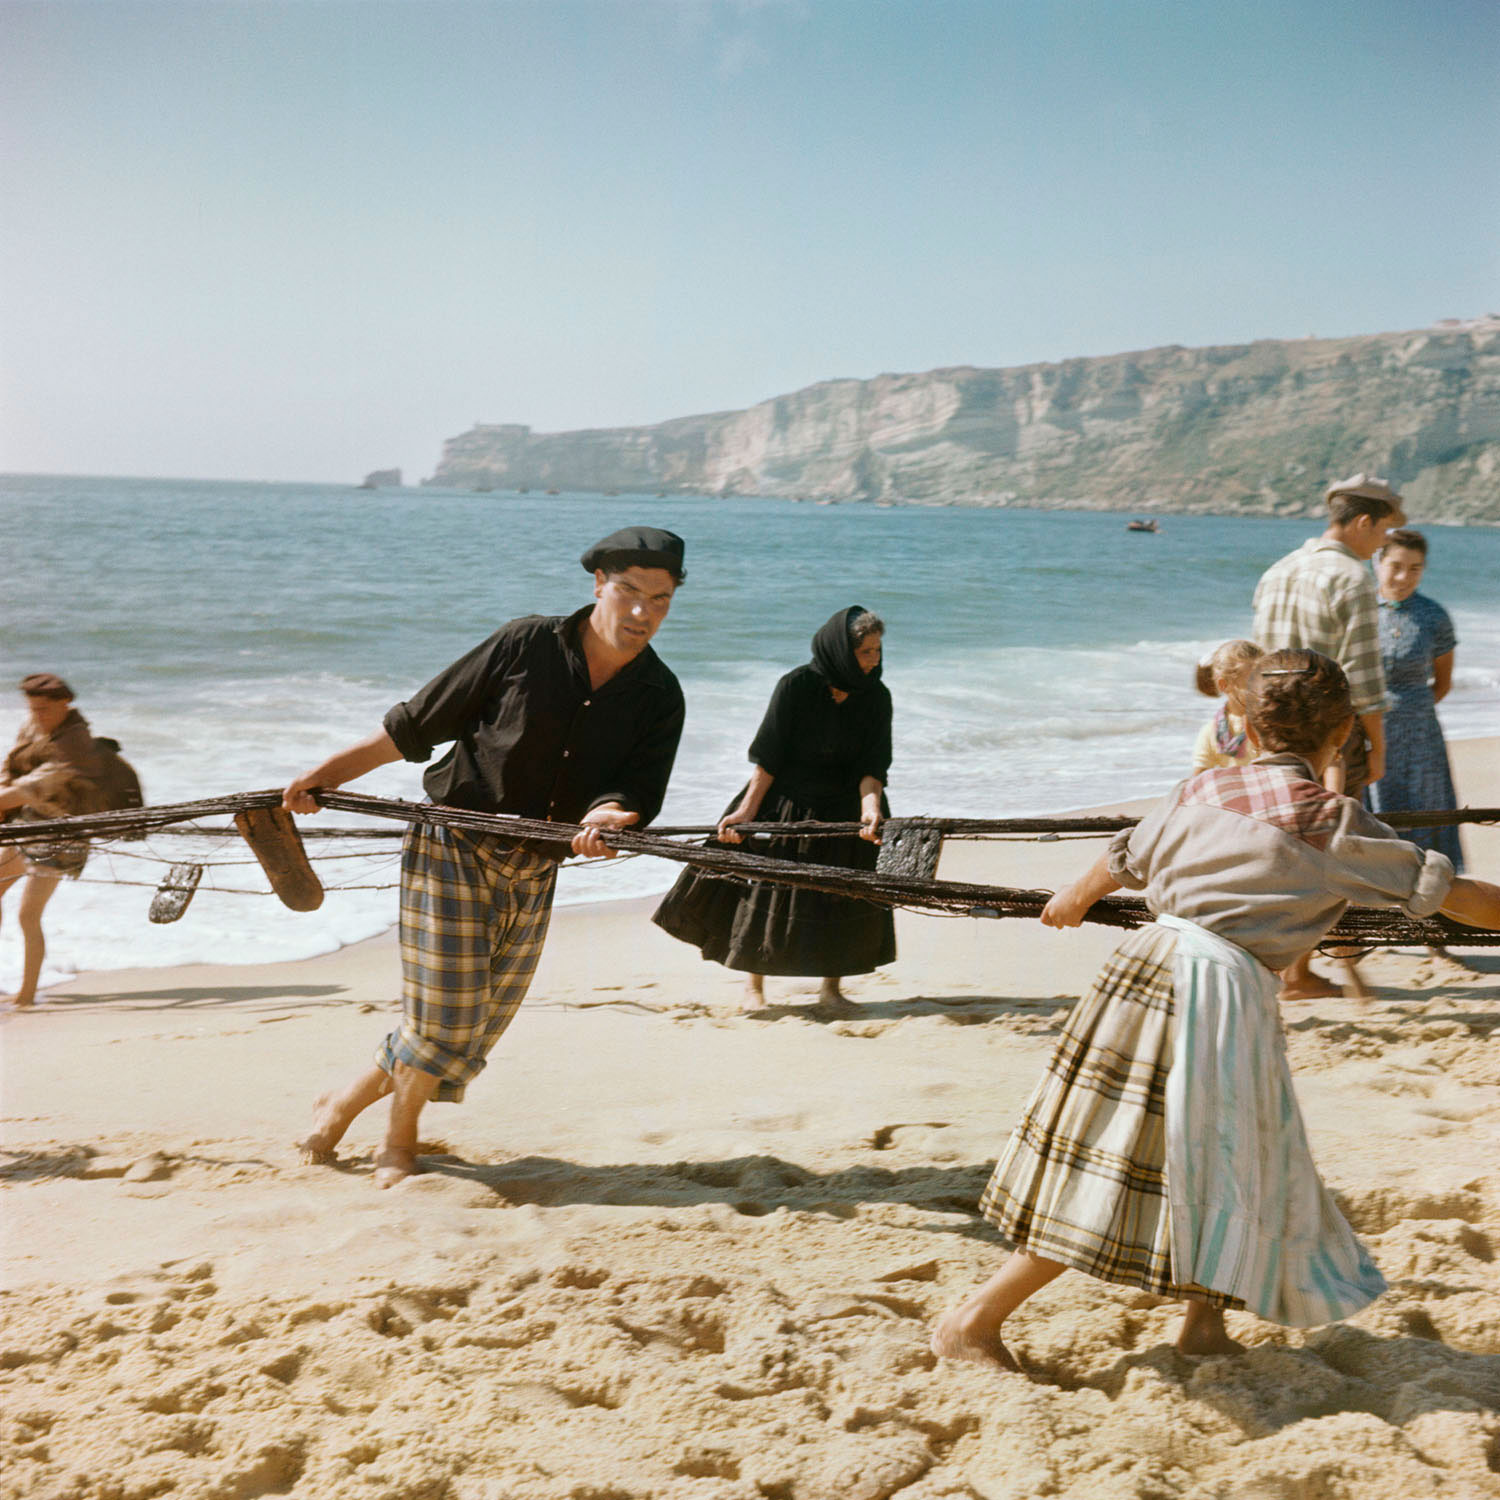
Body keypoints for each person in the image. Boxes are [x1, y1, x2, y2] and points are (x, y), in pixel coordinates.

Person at [929, 649, 1500, 1378]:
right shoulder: (1328, 821)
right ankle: (972, 1319)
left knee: (1226, 1155)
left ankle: (1204, 1323)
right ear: (1345, 732)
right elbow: (1447, 891)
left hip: (1141, 973)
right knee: (1152, 1160)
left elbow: (1123, 858)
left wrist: (1072, 897)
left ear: (1248, 724)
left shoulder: (1199, 789)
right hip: (1216, 994)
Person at [284, 527, 687, 1187]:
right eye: (631, 593)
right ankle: (400, 1140)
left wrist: (609, 813)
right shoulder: (524, 644)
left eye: (662, 600)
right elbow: (417, 723)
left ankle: (342, 1101)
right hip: (453, 842)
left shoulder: (659, 694)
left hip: (539, 863)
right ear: (597, 587)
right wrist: (325, 775)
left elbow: (637, 788)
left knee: (477, 1025)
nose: (644, 613)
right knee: (446, 1015)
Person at [652, 605, 893, 1011]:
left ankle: (831, 990)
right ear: (841, 650)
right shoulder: (796, 685)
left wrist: (870, 809)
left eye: (878, 651)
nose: (875, 660)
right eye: (867, 652)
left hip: (845, 805)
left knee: (840, 894)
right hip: (787, 799)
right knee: (766, 889)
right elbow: (768, 759)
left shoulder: (877, 696)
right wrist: (747, 813)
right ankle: (754, 990)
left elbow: (872, 766)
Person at [1252, 472, 1404, 999]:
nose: (1383, 542)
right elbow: (1362, 677)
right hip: (1327, 734)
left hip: (1270, 730)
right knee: (1328, 847)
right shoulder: (1353, 578)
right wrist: (1378, 747)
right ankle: (1301, 974)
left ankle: (1284, 967)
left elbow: (1258, 659)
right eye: (1383, 531)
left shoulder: (1278, 570)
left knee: (1279, 846)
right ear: (1363, 522)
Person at [0, 674, 108, 1009]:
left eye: (45, 709)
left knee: (28, 915)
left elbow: (28, 789)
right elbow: (10, 769)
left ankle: (27, 995)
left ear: (65, 703)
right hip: (29, 823)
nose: (38, 715)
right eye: (33, 709)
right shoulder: (34, 724)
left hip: (64, 833)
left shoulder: (76, 744)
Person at [1367, 529, 1463, 873]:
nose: (1403, 576)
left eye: (1415, 568)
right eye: (1395, 566)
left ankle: (1434, 891)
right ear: (1377, 561)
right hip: (1368, 729)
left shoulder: (1434, 616)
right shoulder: (1359, 609)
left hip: (1421, 737)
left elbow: (1443, 683)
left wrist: (1410, 712)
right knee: (1375, 814)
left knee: (1425, 811)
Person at [1190, 639, 1263, 773]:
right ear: (1224, 685)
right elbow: (1197, 782)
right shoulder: (1211, 732)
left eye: (1264, 681)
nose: (1261, 691)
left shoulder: (1274, 724)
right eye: (1252, 685)